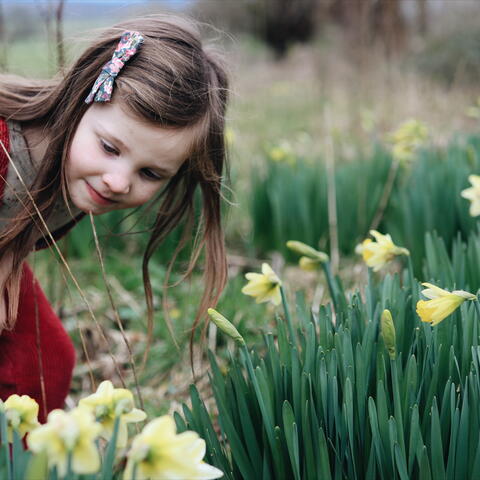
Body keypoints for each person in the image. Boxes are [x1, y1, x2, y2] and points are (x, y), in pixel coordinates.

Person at [0, 15, 229, 422]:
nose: (118, 182)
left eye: (150, 173)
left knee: (45, 361)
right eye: (109, 147)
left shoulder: (76, 174)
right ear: (80, 99)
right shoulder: (6, 147)